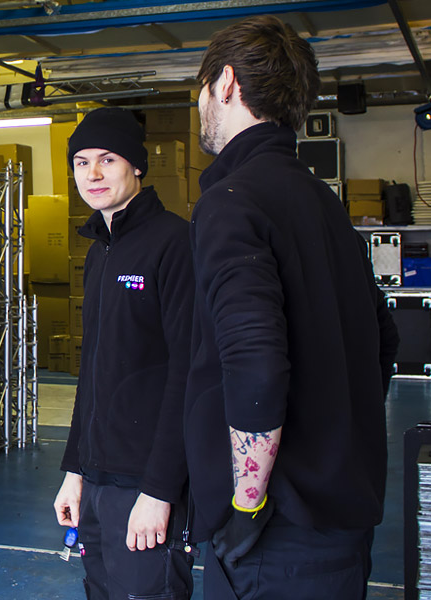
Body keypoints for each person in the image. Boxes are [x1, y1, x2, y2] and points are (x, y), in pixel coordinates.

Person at [185, 15, 399, 599]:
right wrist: (331, 431)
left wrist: (246, 506)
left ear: (225, 83)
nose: (199, 101)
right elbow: (384, 340)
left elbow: (255, 365)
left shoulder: (231, 203)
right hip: (342, 526)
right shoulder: (323, 203)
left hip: (274, 541)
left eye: (201, 88)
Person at [52, 107, 195, 600]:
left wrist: (160, 491)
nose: (92, 174)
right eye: (81, 162)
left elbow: (189, 375)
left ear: (136, 166)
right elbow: (92, 373)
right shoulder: (98, 251)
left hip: (145, 481)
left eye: (108, 159)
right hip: (97, 478)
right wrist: (74, 472)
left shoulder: (174, 243)